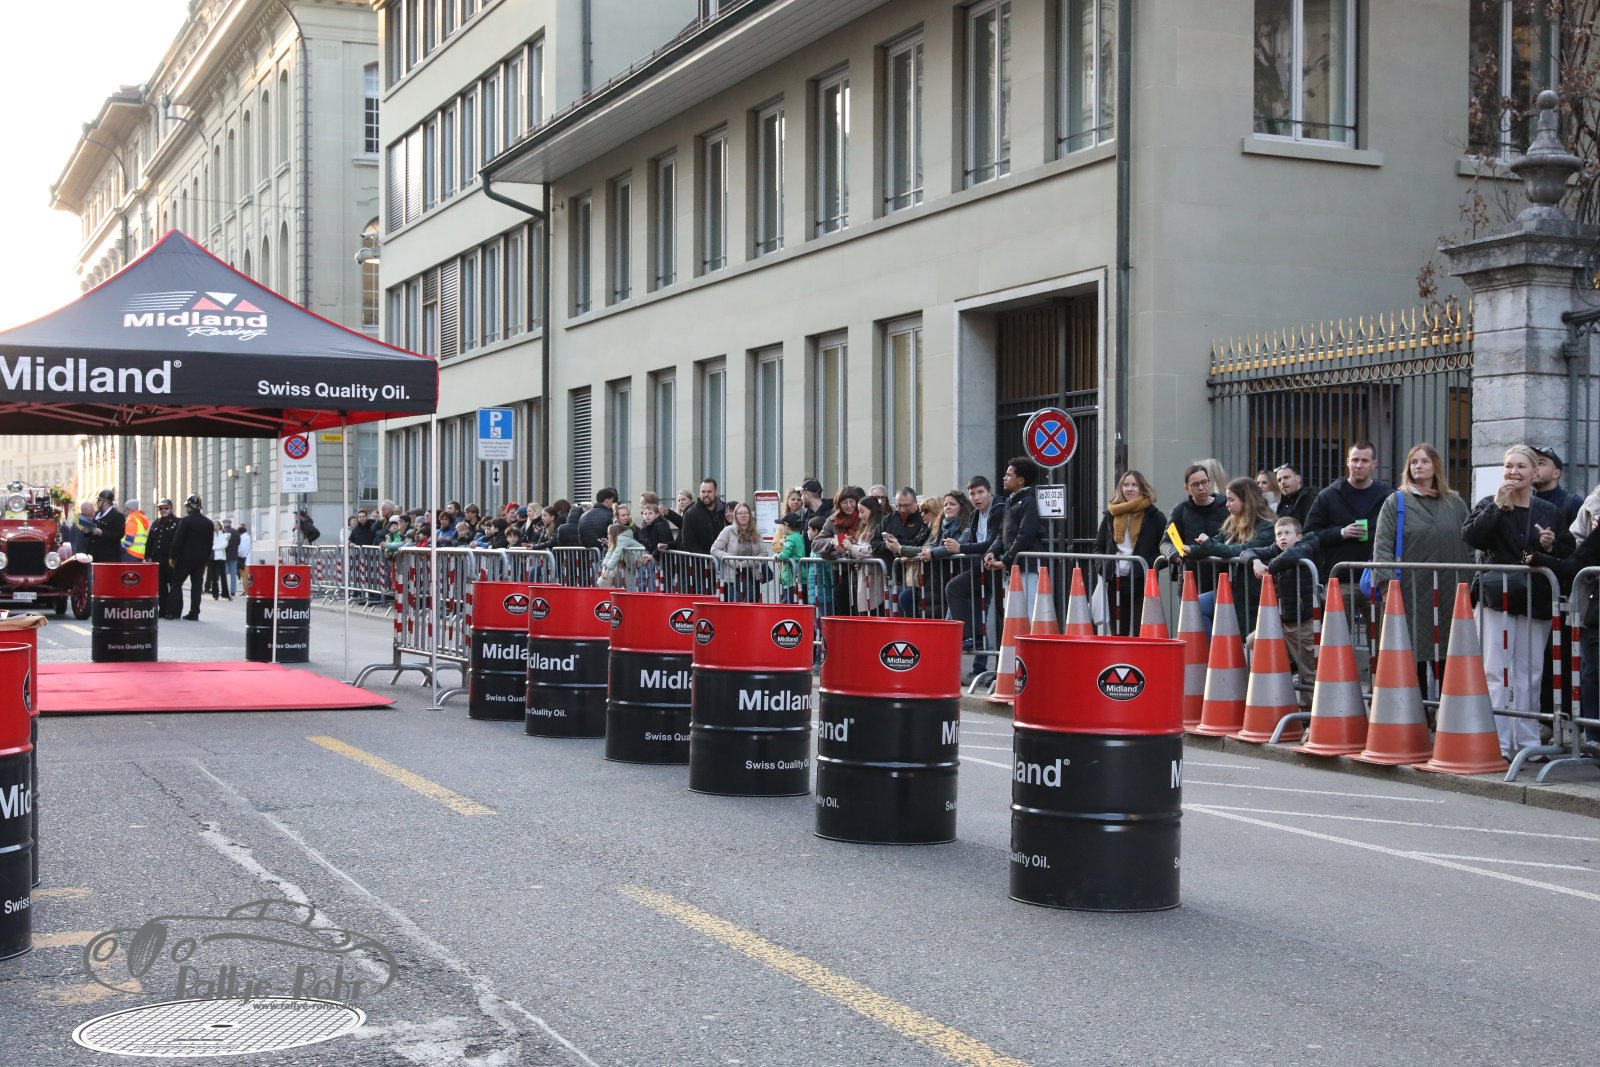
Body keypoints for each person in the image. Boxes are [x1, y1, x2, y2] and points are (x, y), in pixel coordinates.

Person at [1462, 444, 1575, 758]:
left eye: (1521, 466)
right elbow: (1473, 537)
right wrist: (1497, 506)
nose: (1514, 472)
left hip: (1534, 600)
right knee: (1495, 671)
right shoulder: (1490, 503)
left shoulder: (1548, 511)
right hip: (1496, 598)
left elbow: (1568, 550)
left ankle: (1527, 742)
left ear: (1534, 472)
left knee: (1530, 673)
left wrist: (1550, 546)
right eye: (1509, 466)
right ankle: (1496, 741)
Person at [1369, 443, 1471, 692]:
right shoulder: (1396, 502)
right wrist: (1387, 586)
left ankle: (1449, 708)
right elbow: (1382, 546)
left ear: (1436, 466)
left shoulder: (1455, 503)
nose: (1418, 466)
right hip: (1409, 591)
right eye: (1413, 462)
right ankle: (1416, 709)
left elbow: (1470, 544)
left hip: (1449, 591)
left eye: (1424, 461)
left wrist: (1472, 583)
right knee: (1410, 654)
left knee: (1450, 652)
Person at [1242, 516, 1321, 709]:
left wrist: (1268, 568)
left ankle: (1309, 711)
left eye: (1287, 533)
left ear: (1299, 536)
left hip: (1303, 622)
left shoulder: (1307, 545)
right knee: (1252, 641)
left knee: (1309, 671)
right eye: (1279, 534)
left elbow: (1291, 556)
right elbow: (1246, 551)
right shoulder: (1275, 549)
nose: (1283, 537)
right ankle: (1288, 669)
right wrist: (1255, 562)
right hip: (1282, 622)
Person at [1188, 476, 1274, 633]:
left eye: (1231, 500)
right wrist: (1190, 550)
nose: (1227, 504)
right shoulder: (1232, 522)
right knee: (1196, 606)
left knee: (1247, 634)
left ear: (1246, 500)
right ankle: (1209, 648)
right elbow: (1215, 542)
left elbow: (1241, 550)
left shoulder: (1267, 527)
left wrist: (1207, 545)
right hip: (1234, 589)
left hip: (1254, 593)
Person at [1091, 470, 1167, 634]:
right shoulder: (1111, 515)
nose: (1129, 489)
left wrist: (1148, 566)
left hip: (1142, 581)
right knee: (1118, 632)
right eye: (1125, 485)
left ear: (1142, 488)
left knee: (1142, 630)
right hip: (1115, 580)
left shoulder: (1155, 516)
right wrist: (1103, 568)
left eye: (1134, 485)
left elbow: (1166, 547)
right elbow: (1098, 546)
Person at [943, 476, 1002, 678]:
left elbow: (992, 542)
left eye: (980, 492)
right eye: (972, 494)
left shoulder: (999, 509)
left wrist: (961, 548)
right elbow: (971, 542)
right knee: (955, 589)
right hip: (980, 568)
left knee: (999, 617)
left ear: (989, 492)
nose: (976, 497)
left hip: (998, 568)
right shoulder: (975, 514)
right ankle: (971, 639)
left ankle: (998, 669)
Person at [986, 457, 1044, 622]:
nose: (1004, 478)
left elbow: (1025, 534)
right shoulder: (1010, 502)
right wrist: (992, 551)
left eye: (1009, 475)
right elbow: (1001, 533)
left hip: (1027, 566)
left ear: (1021, 480)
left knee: (1029, 610)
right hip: (1014, 566)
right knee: (1014, 612)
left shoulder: (1028, 501)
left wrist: (1006, 560)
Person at [1160, 464, 1228, 592]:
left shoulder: (1225, 505)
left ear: (1210, 482)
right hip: (1190, 581)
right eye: (1195, 484)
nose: (1201, 488)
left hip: (1223, 580)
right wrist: (1175, 555)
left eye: (1204, 482)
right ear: (1187, 488)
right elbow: (1166, 542)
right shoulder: (1180, 509)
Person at [711, 501, 768, 601]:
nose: (743, 516)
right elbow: (714, 549)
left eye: (745, 513)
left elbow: (764, 554)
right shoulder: (728, 530)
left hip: (753, 572)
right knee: (748, 595)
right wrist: (731, 559)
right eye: (740, 513)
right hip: (735, 573)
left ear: (750, 515)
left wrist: (746, 563)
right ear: (736, 516)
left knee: (754, 599)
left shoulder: (756, 532)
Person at [168, 494, 215, 620]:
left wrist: (172, 556)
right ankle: (194, 613)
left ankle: (174, 612)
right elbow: (210, 543)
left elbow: (178, 540)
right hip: (201, 560)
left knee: (177, 583)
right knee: (197, 586)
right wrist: (206, 559)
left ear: (189, 507)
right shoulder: (208, 523)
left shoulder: (186, 521)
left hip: (185, 558)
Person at [1530, 445, 1584, 529]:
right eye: (1532, 464)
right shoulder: (1524, 502)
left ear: (1556, 473)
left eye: (1541, 463)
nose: (1534, 468)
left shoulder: (1573, 503)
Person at [146, 499, 181, 618]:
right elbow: (150, 541)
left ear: (171, 508)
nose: (163, 510)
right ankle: (163, 609)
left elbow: (179, 542)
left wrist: (176, 557)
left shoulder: (177, 522)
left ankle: (173, 611)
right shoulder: (156, 523)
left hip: (171, 559)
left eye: (166, 508)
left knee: (174, 586)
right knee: (160, 586)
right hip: (157, 558)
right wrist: (148, 556)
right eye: (160, 508)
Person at [772, 512, 807, 603]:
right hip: (801, 574)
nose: (781, 528)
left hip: (792, 577)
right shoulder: (799, 536)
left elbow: (786, 554)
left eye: (782, 525)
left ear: (786, 526)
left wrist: (777, 556)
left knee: (789, 602)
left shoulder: (790, 538)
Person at [598, 522, 645, 588]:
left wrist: (607, 571)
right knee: (634, 587)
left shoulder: (622, 539)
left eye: (609, 533)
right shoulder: (617, 540)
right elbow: (609, 553)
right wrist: (604, 569)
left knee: (637, 587)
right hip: (634, 565)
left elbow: (616, 554)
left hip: (643, 563)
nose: (608, 536)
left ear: (616, 533)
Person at [86, 489, 125, 565]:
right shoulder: (97, 514)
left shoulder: (117, 516)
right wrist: (87, 532)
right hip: (94, 555)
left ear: (105, 501)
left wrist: (102, 533)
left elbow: (118, 535)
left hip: (108, 557)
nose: (97, 502)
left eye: (99, 500)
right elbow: (92, 533)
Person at [1274, 464, 1314, 528]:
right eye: (1279, 480)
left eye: (1286, 477)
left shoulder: (1312, 498)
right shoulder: (1281, 504)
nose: (1282, 482)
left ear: (1298, 478)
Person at [207, 520, 230, 599]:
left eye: (217, 525)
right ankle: (215, 594)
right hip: (213, 559)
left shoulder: (225, 535)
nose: (215, 526)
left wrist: (213, 547)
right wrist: (214, 547)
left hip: (221, 558)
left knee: (223, 577)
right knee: (214, 578)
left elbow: (224, 545)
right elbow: (208, 544)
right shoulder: (210, 535)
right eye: (214, 525)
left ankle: (225, 594)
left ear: (220, 526)